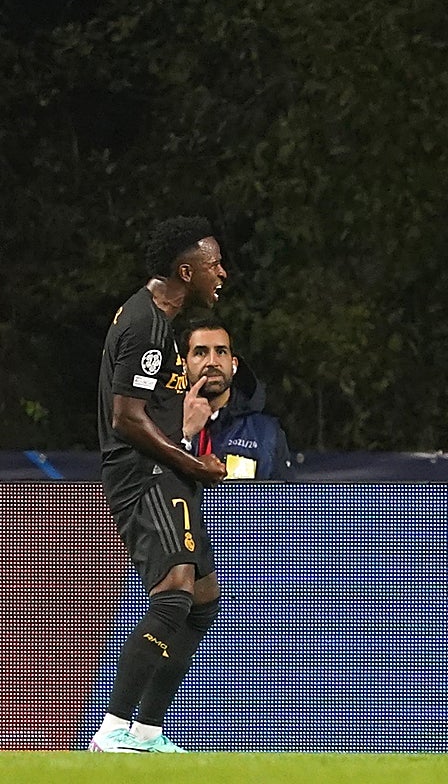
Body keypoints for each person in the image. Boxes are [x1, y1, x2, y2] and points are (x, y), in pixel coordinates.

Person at [91, 216, 229, 753]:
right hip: (144, 473)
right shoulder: (146, 322)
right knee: (174, 585)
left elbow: (150, 407)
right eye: (214, 263)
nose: (222, 273)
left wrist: (184, 430)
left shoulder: (162, 322)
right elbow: (125, 418)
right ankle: (111, 730)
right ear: (185, 269)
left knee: (201, 596)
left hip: (164, 468)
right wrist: (191, 462)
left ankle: (146, 730)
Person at [180, 316, 294, 480]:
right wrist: (185, 436)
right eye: (200, 353)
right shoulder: (159, 424)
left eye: (221, 352)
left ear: (233, 364)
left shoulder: (266, 433)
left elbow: (284, 502)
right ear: (184, 366)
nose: (212, 362)